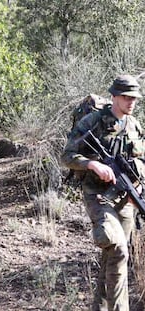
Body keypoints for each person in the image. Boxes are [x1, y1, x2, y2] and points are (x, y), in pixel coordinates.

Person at [62, 74, 145, 310]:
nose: (131, 102)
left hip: (125, 198)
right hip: (98, 196)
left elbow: (141, 161)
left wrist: (138, 185)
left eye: (135, 98)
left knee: (114, 256)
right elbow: (67, 156)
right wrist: (92, 164)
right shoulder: (92, 122)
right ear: (114, 97)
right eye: (126, 97)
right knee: (117, 247)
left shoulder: (134, 126)